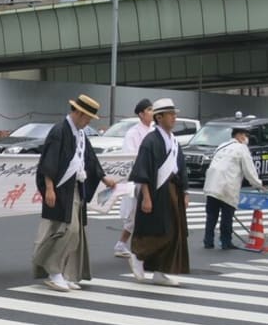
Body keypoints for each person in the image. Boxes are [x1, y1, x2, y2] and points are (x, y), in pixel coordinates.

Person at [32, 94, 116, 292]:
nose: (87, 122)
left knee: (74, 234)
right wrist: (50, 188)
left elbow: (91, 159)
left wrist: (104, 178)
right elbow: (48, 161)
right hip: (61, 188)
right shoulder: (59, 131)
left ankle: (60, 271)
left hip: (76, 187)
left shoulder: (80, 134)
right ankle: (53, 271)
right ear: (78, 113)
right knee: (68, 230)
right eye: (86, 117)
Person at [128, 98, 190, 286]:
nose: (174, 118)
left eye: (174, 114)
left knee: (174, 232)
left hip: (172, 191)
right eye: (170, 114)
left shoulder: (174, 141)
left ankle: (161, 270)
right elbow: (142, 171)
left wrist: (185, 192)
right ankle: (139, 256)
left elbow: (181, 168)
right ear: (159, 117)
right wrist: (146, 197)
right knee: (157, 231)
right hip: (155, 192)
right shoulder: (150, 141)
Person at [203, 127, 266, 249]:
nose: (246, 139)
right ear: (240, 136)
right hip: (227, 185)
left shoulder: (221, 146)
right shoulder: (241, 148)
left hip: (211, 184)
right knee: (227, 216)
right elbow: (249, 170)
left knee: (211, 215)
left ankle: (208, 241)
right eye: (245, 136)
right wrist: (259, 184)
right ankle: (226, 242)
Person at [112, 99, 155, 258]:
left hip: (153, 179)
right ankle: (122, 244)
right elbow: (131, 158)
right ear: (141, 114)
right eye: (149, 109)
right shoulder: (133, 133)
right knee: (133, 215)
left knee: (147, 215)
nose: (152, 113)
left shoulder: (154, 131)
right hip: (137, 180)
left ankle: (130, 245)